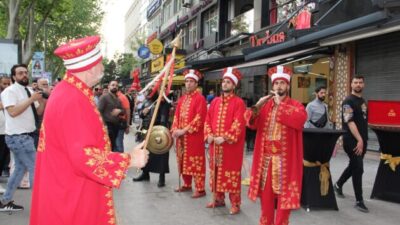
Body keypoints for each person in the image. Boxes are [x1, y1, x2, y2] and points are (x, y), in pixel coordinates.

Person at [29, 36, 149, 225]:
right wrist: (129, 160)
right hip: (73, 196)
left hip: (66, 187)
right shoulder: (72, 99)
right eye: (100, 62)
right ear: (91, 67)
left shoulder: (67, 92)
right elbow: (83, 156)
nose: (102, 67)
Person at [245, 65, 307, 225]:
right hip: (266, 161)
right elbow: (251, 123)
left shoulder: (295, 105)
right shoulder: (265, 105)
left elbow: (300, 119)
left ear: (288, 85)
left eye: (282, 83)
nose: (279, 86)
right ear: (272, 86)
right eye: (276, 83)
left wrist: (281, 105)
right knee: (265, 202)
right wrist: (257, 105)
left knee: (284, 203)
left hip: (285, 162)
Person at [0, 64, 46, 211]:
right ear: (14, 76)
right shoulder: (9, 91)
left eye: (26, 72)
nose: (24, 75)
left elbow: (38, 112)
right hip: (18, 137)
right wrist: (31, 99)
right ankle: (42, 206)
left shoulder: (29, 90)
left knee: (19, 170)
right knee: (36, 168)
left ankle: (5, 201)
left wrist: (42, 100)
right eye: (20, 73)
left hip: (28, 136)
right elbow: (13, 112)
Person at [204, 67, 246, 215]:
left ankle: (235, 203)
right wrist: (208, 134)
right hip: (215, 145)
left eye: (228, 82)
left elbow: (238, 124)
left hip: (230, 147)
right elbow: (207, 120)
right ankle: (218, 199)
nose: (225, 84)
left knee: (231, 173)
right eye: (224, 81)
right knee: (215, 173)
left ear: (234, 85)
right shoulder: (214, 101)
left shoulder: (239, 103)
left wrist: (226, 137)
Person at [334, 75, 369, 213]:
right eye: (355, 82)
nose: (358, 84)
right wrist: (359, 140)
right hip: (352, 140)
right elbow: (350, 121)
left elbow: (363, 120)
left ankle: (338, 184)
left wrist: (363, 139)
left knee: (354, 165)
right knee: (358, 168)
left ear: (363, 85)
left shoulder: (362, 101)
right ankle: (359, 200)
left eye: (360, 82)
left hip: (362, 140)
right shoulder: (348, 101)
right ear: (351, 84)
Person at [171, 69, 207, 198]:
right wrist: (175, 129)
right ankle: (187, 184)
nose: (188, 84)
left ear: (196, 84)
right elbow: (176, 115)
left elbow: (199, 119)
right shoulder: (182, 99)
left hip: (194, 137)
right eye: (186, 81)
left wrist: (184, 130)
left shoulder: (200, 99)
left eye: (191, 81)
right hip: (181, 137)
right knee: (182, 161)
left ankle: (200, 188)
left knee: (195, 162)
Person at [98, 80, 125, 152]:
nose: (115, 87)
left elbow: (124, 111)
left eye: (116, 85)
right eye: (113, 85)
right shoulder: (104, 97)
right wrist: (104, 125)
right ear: (108, 86)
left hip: (116, 126)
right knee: (108, 147)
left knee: (112, 146)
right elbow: (98, 111)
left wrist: (120, 111)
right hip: (107, 125)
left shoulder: (117, 99)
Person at [0, 76, 11, 193]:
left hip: (6, 130)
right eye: (4, 84)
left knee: (4, 154)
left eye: (8, 84)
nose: (6, 86)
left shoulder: (9, 93)